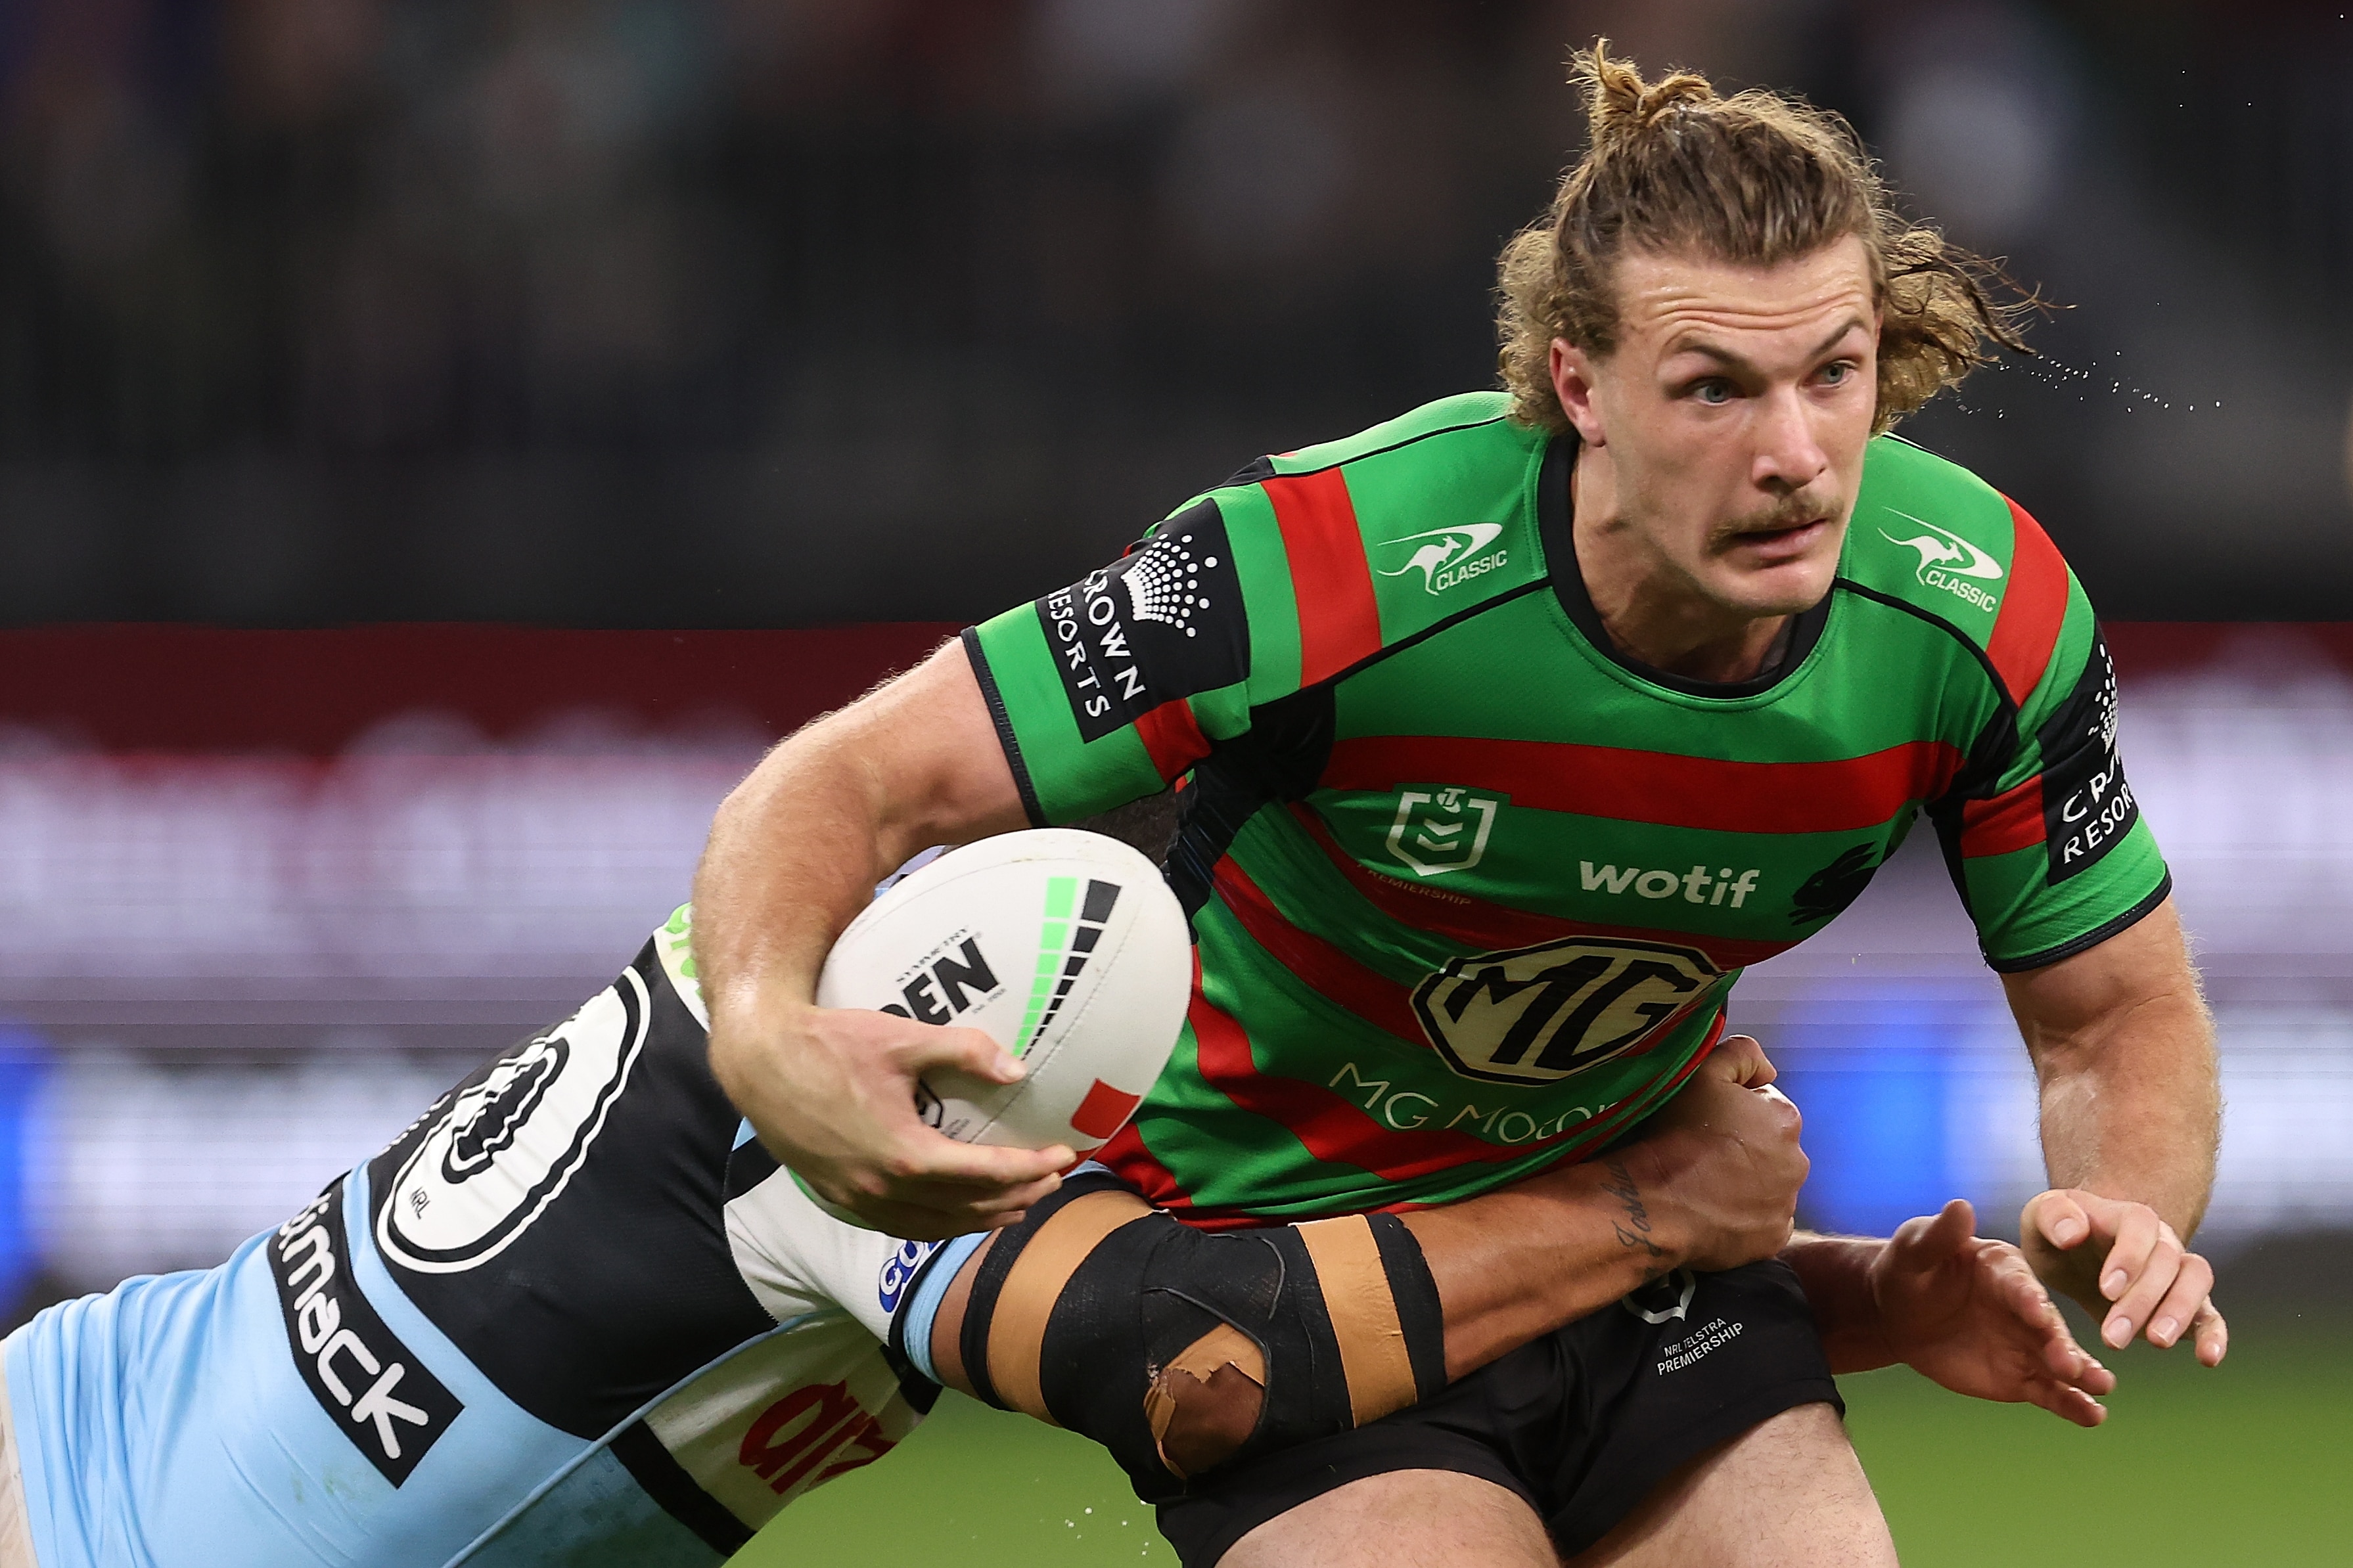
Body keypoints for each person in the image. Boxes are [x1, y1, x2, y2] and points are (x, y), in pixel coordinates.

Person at [691, 45, 2224, 1568]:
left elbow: (2112, 1019)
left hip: (1657, 1259)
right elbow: (853, 778)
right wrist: (764, 1029)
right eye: (1715, 390)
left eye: (1835, 373)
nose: (1796, 457)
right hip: (1301, 1285)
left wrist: (2124, 1208)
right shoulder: (1322, 566)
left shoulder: (1983, 613)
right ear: (1580, 386)